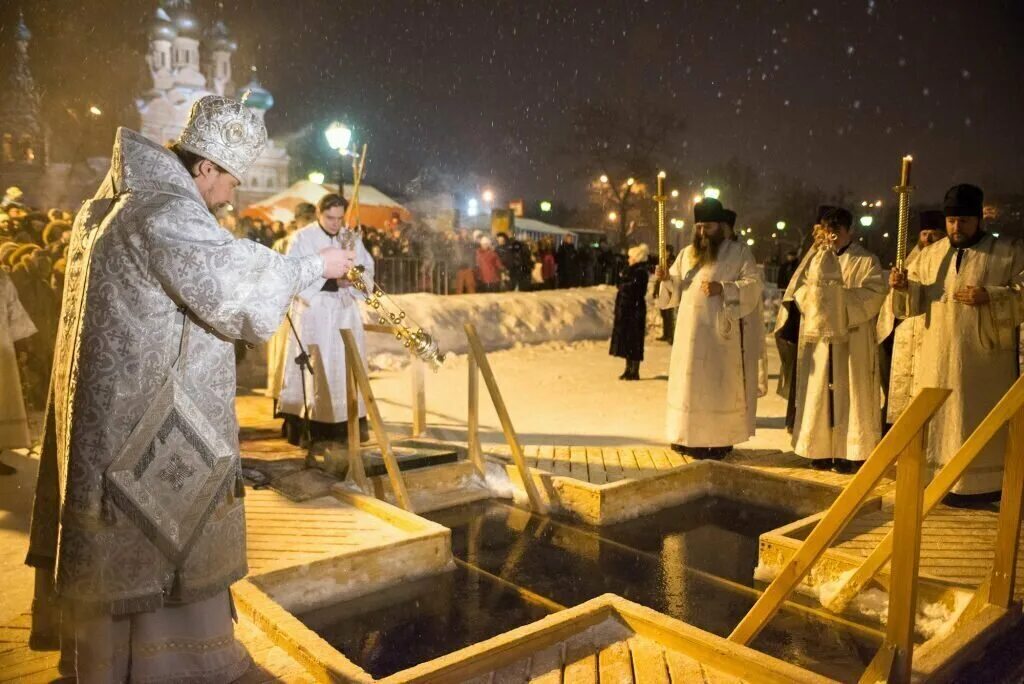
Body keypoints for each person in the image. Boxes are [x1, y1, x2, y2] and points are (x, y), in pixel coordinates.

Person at [25, 95, 352, 681]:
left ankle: (104, 665)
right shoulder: (163, 212)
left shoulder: (110, 204)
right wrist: (313, 267)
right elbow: (233, 293)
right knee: (151, 547)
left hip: (111, 418)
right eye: (231, 179)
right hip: (144, 424)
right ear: (205, 167)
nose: (232, 196)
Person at [890, 184, 1024, 504]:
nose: (956, 227)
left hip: (984, 362)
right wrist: (903, 287)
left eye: (964, 220)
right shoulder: (931, 254)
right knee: (941, 418)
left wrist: (991, 296)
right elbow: (915, 302)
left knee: (976, 419)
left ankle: (981, 485)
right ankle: (940, 479)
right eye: (951, 221)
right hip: (938, 355)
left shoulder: (1008, 250)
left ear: (979, 220)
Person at [781, 207, 887, 473]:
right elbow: (799, 290)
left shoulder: (866, 261)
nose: (831, 237)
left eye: (836, 231)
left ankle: (849, 451)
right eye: (826, 231)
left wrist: (837, 305)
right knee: (820, 393)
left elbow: (874, 294)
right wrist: (819, 305)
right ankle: (820, 449)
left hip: (851, 339)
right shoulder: (813, 259)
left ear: (849, 231)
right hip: (819, 340)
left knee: (850, 392)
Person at [657, 198, 763, 459]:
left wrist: (724, 289)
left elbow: (753, 285)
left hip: (719, 335)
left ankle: (717, 439)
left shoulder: (738, 253)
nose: (703, 233)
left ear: (721, 226)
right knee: (689, 385)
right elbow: (674, 290)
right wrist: (666, 280)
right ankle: (686, 435)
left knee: (716, 385)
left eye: (709, 227)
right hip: (689, 334)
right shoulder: (686, 254)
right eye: (700, 227)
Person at [276, 193, 374, 445]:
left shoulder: (350, 236)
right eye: (330, 218)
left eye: (340, 218)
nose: (335, 223)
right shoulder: (303, 237)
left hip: (343, 312)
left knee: (344, 363)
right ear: (319, 214)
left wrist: (355, 279)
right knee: (316, 365)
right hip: (315, 312)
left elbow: (366, 268)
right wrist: (331, 280)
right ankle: (311, 426)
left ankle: (346, 423)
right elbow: (295, 273)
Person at [876, 210, 946, 430]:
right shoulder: (910, 257)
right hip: (897, 331)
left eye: (933, 234)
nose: (927, 239)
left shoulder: (944, 259)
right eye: (924, 234)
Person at [0, 268, 36, 475]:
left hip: (2, 352)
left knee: (2, 402)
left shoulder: (2, 278)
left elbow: (14, 310)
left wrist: (22, 344)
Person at [610, 244, 650, 381]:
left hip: (634, 310)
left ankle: (634, 370)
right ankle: (628, 369)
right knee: (627, 340)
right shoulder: (629, 270)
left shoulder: (640, 272)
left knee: (634, 340)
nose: (628, 259)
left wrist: (624, 286)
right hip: (627, 309)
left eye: (631, 257)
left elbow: (635, 289)